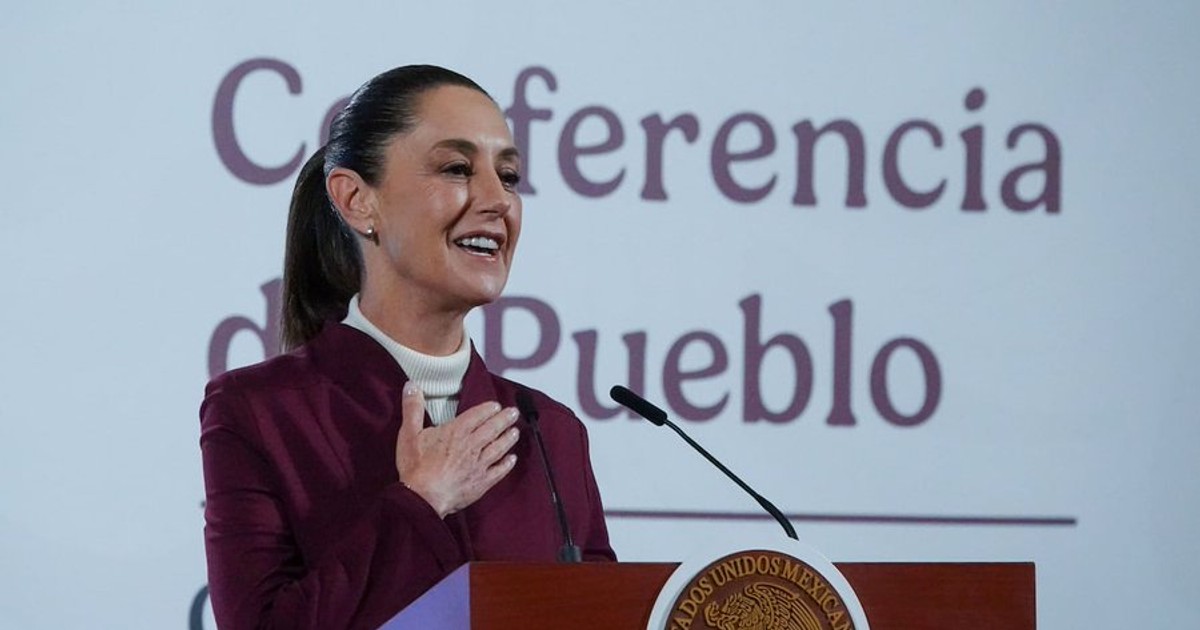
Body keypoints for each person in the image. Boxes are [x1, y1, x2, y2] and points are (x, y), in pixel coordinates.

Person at [199, 65, 615, 630]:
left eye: (510, 176)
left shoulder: (551, 432)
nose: (499, 200)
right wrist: (420, 501)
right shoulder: (259, 411)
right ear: (356, 201)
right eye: (457, 168)